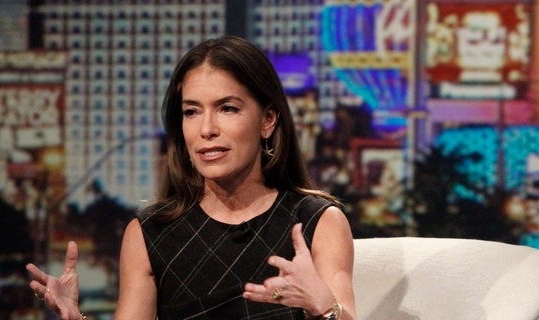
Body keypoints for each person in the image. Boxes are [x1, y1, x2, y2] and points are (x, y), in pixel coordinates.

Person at [26, 35, 356, 320]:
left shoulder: (318, 223)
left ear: (268, 119)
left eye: (228, 108)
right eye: (191, 111)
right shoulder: (150, 234)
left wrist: (325, 308)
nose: (206, 129)